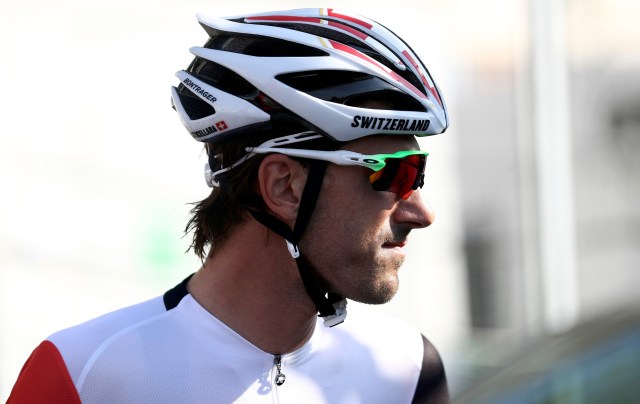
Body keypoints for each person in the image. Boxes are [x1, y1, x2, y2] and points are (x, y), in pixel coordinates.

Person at [9, 7, 450, 403]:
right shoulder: (85, 375)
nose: (422, 213)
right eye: (396, 174)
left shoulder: (408, 371)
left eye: (419, 174)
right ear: (284, 187)